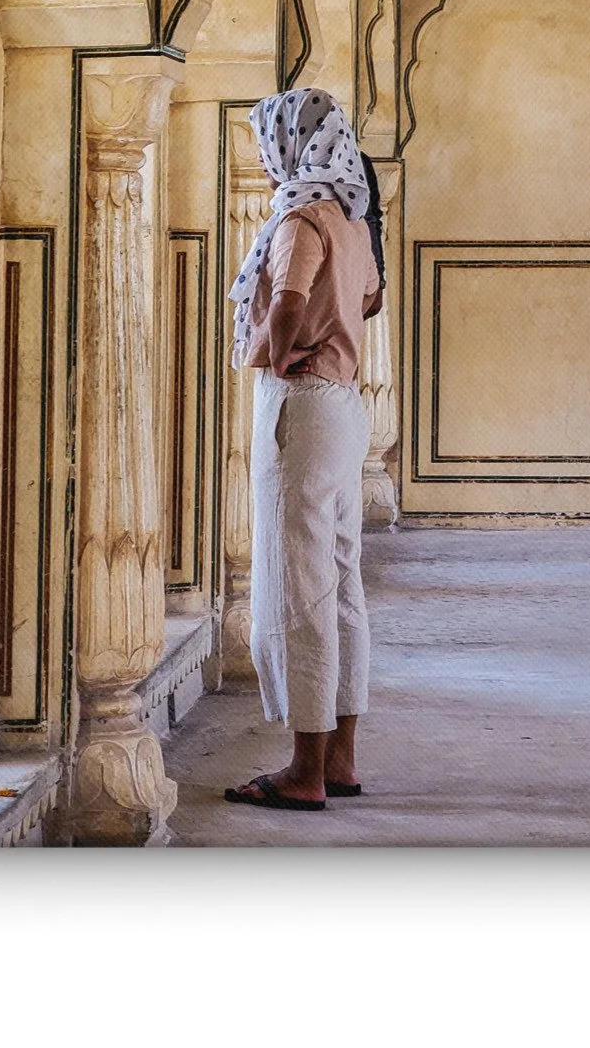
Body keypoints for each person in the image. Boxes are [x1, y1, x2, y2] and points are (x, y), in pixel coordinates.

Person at [222, 88, 383, 813]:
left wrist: (281, 349)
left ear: (295, 143)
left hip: (305, 403)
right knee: (341, 582)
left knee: (299, 587)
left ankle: (304, 768)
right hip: (347, 405)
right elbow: (371, 298)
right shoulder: (351, 217)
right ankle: (340, 756)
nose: (262, 154)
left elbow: (286, 301)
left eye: (267, 140)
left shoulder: (298, 218)